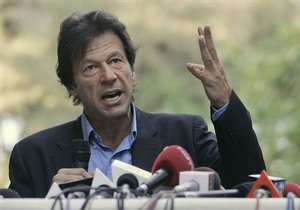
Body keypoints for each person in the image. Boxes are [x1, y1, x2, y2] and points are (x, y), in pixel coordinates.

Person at [8, 9, 266, 198]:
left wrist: (224, 100)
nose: (109, 76)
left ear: (132, 71)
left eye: (116, 61)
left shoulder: (186, 136)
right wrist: (48, 203)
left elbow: (251, 185)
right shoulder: (32, 156)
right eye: (91, 67)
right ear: (71, 85)